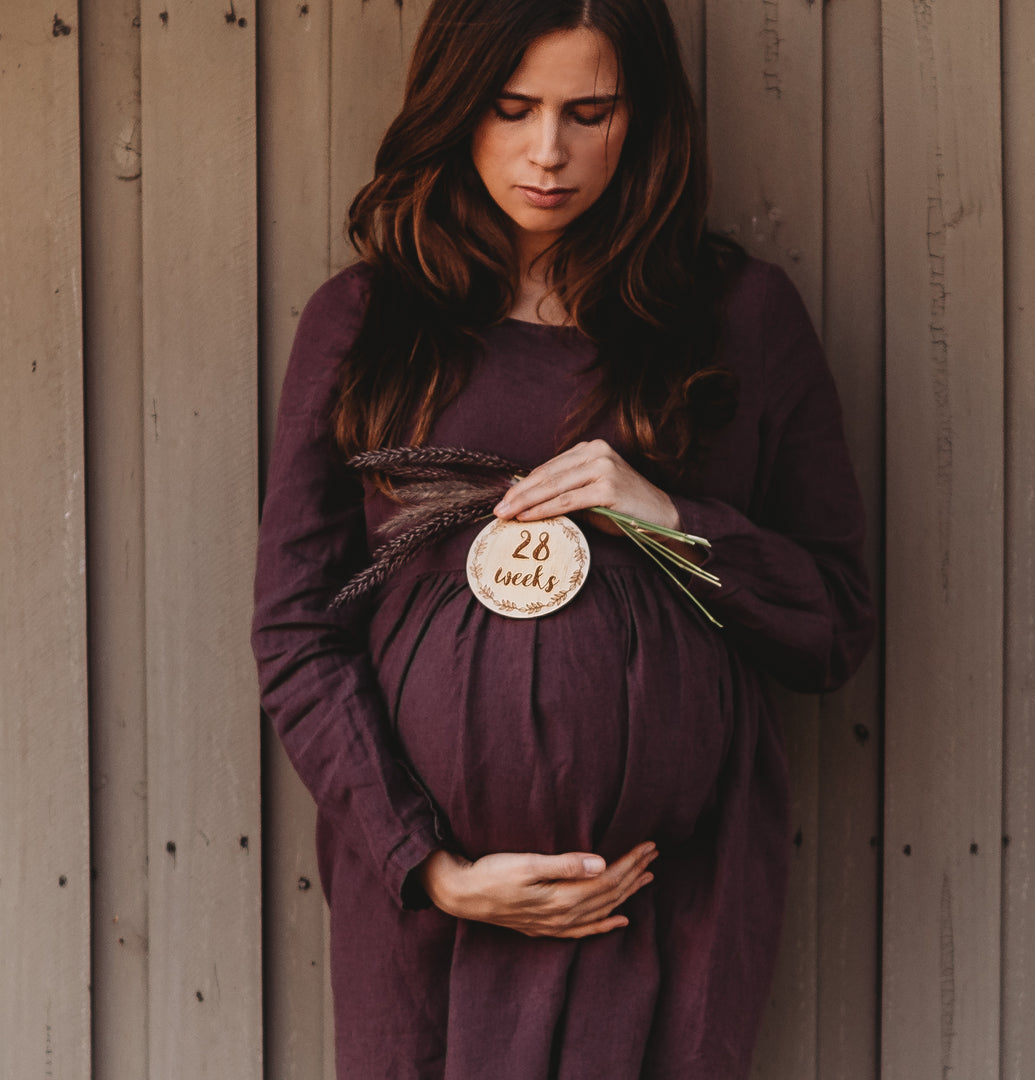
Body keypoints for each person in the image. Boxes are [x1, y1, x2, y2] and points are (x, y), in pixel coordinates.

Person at [251, 0, 874, 1076]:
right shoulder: (367, 323)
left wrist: (668, 516)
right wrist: (430, 867)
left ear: (644, 120)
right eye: (513, 109)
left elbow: (831, 624)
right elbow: (299, 631)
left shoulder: (738, 318)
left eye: (591, 112)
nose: (551, 153)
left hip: (666, 901)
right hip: (435, 921)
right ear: (456, 106)